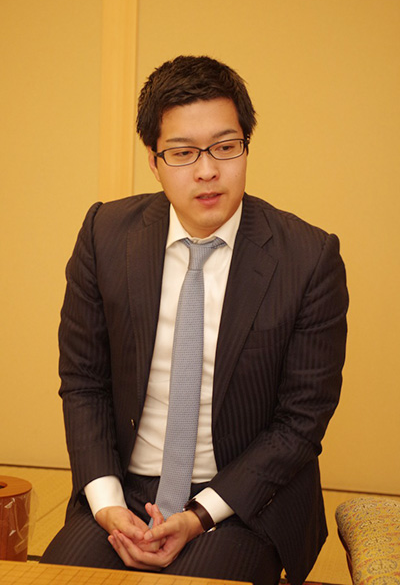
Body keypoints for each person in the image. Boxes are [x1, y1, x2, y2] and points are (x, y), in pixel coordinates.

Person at [41, 55, 348, 585]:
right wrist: (107, 504)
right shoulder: (104, 235)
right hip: (125, 489)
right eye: (183, 153)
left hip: (241, 499)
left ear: (247, 146)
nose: (207, 171)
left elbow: (300, 421)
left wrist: (198, 515)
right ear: (154, 160)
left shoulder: (308, 257)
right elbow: (84, 383)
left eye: (225, 147)